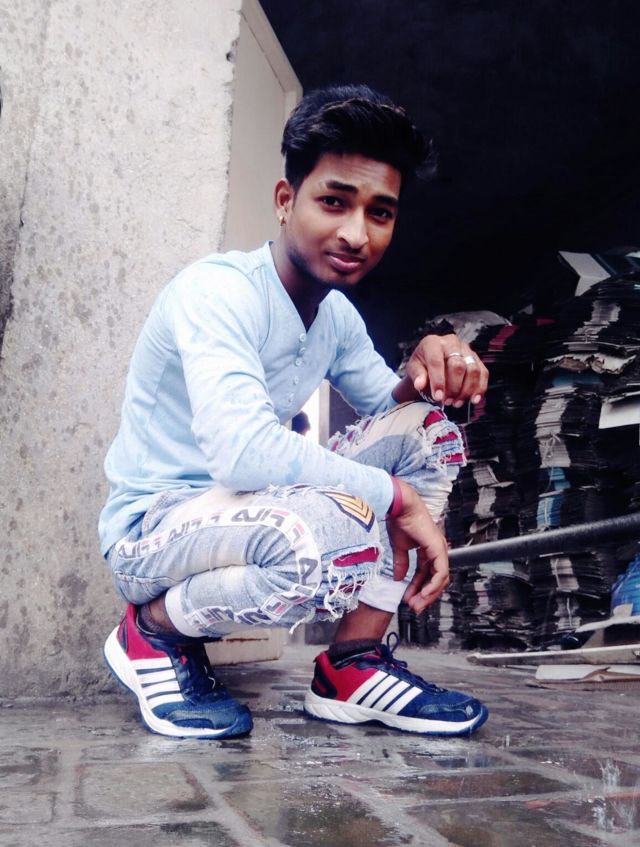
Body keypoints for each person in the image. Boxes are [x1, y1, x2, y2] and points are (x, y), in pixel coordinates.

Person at [99, 84, 490, 740]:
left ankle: (353, 663)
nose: (356, 233)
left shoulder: (335, 316)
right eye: (334, 201)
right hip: (153, 530)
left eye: (380, 213)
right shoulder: (218, 290)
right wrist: (394, 498)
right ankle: (152, 632)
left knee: (428, 435)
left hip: (245, 512)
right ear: (286, 201)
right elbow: (243, 454)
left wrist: (429, 364)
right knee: (326, 536)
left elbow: (392, 412)